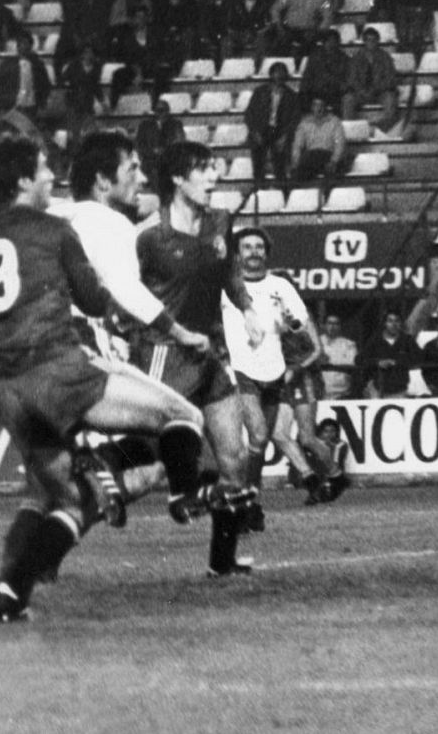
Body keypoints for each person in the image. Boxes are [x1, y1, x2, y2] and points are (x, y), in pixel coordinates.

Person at [0, 137, 213, 621]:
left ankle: (10, 593)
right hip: (62, 372)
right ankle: (184, 494)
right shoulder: (55, 230)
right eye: (44, 169)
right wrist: (99, 288)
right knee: (183, 414)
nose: (52, 178)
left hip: (10, 391)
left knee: (60, 498)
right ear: (24, 180)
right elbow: (91, 300)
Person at [60, 131, 226, 530]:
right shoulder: (112, 224)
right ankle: (182, 494)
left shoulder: (54, 217)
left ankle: (29, 568)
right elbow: (128, 292)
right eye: (132, 168)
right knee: (181, 415)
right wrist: (181, 333)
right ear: (103, 180)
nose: (142, 178)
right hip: (78, 352)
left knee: (50, 492)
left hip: (26, 362)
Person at [131, 139, 268, 577]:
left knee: (235, 456)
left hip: (209, 355)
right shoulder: (148, 235)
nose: (214, 177)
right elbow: (122, 293)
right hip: (165, 358)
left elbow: (228, 274)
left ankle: (222, 562)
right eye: (204, 169)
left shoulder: (221, 222)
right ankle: (56, 534)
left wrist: (247, 309)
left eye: (215, 168)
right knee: (148, 468)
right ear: (176, 178)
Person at [223, 227, 344, 505]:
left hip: (283, 376)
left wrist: (291, 327)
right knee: (264, 434)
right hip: (245, 373)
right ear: (238, 254)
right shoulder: (226, 288)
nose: (253, 252)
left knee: (283, 438)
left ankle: (326, 477)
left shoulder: (283, 293)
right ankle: (261, 498)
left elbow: (305, 335)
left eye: (259, 247)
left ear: (266, 253)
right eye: (247, 247)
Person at [243, 62, 303, 182]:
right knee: (258, 167)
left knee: (280, 169)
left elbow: (295, 119)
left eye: (282, 73)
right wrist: (255, 133)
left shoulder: (291, 96)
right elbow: (249, 114)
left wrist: (285, 137)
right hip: (261, 130)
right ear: (271, 74)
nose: (279, 76)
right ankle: (259, 192)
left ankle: (281, 194)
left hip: (280, 132)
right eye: (277, 72)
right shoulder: (260, 92)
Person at [344, 25, 398, 128]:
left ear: (378, 41)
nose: (371, 42)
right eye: (368, 40)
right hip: (361, 93)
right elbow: (352, 79)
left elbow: (390, 79)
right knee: (348, 99)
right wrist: (361, 91)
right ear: (364, 41)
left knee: (390, 98)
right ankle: (350, 129)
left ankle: (387, 129)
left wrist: (376, 89)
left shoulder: (385, 57)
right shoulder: (356, 58)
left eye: (374, 40)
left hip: (380, 93)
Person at [360, 310, 419, 398]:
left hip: (401, 390)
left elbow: (418, 358)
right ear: (385, 323)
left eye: (397, 321)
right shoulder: (375, 340)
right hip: (378, 390)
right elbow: (359, 359)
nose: (394, 324)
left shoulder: (407, 340)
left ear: (401, 323)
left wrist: (397, 362)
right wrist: (378, 363)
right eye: (390, 321)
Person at [290, 96, 348, 185]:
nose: (319, 108)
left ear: (325, 107)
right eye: (316, 105)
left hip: (328, 155)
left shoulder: (334, 122)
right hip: (311, 157)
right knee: (297, 174)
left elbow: (340, 144)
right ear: (312, 107)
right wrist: (296, 161)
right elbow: (297, 145)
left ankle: (328, 197)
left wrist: (334, 161)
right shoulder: (305, 123)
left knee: (333, 174)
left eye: (321, 105)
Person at [134, 98, 186, 181]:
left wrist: (166, 151)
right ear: (154, 111)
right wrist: (152, 151)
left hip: (169, 159)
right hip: (150, 160)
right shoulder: (144, 125)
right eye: (158, 110)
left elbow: (180, 143)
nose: (161, 113)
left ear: (168, 111)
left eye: (163, 110)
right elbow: (139, 145)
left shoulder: (176, 124)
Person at [318, 313, 359, 399]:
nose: (332, 327)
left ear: (340, 326)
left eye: (335, 324)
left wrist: (329, 361)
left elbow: (352, 363)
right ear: (324, 325)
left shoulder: (349, 344)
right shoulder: (316, 343)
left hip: (342, 393)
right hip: (320, 393)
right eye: (329, 323)